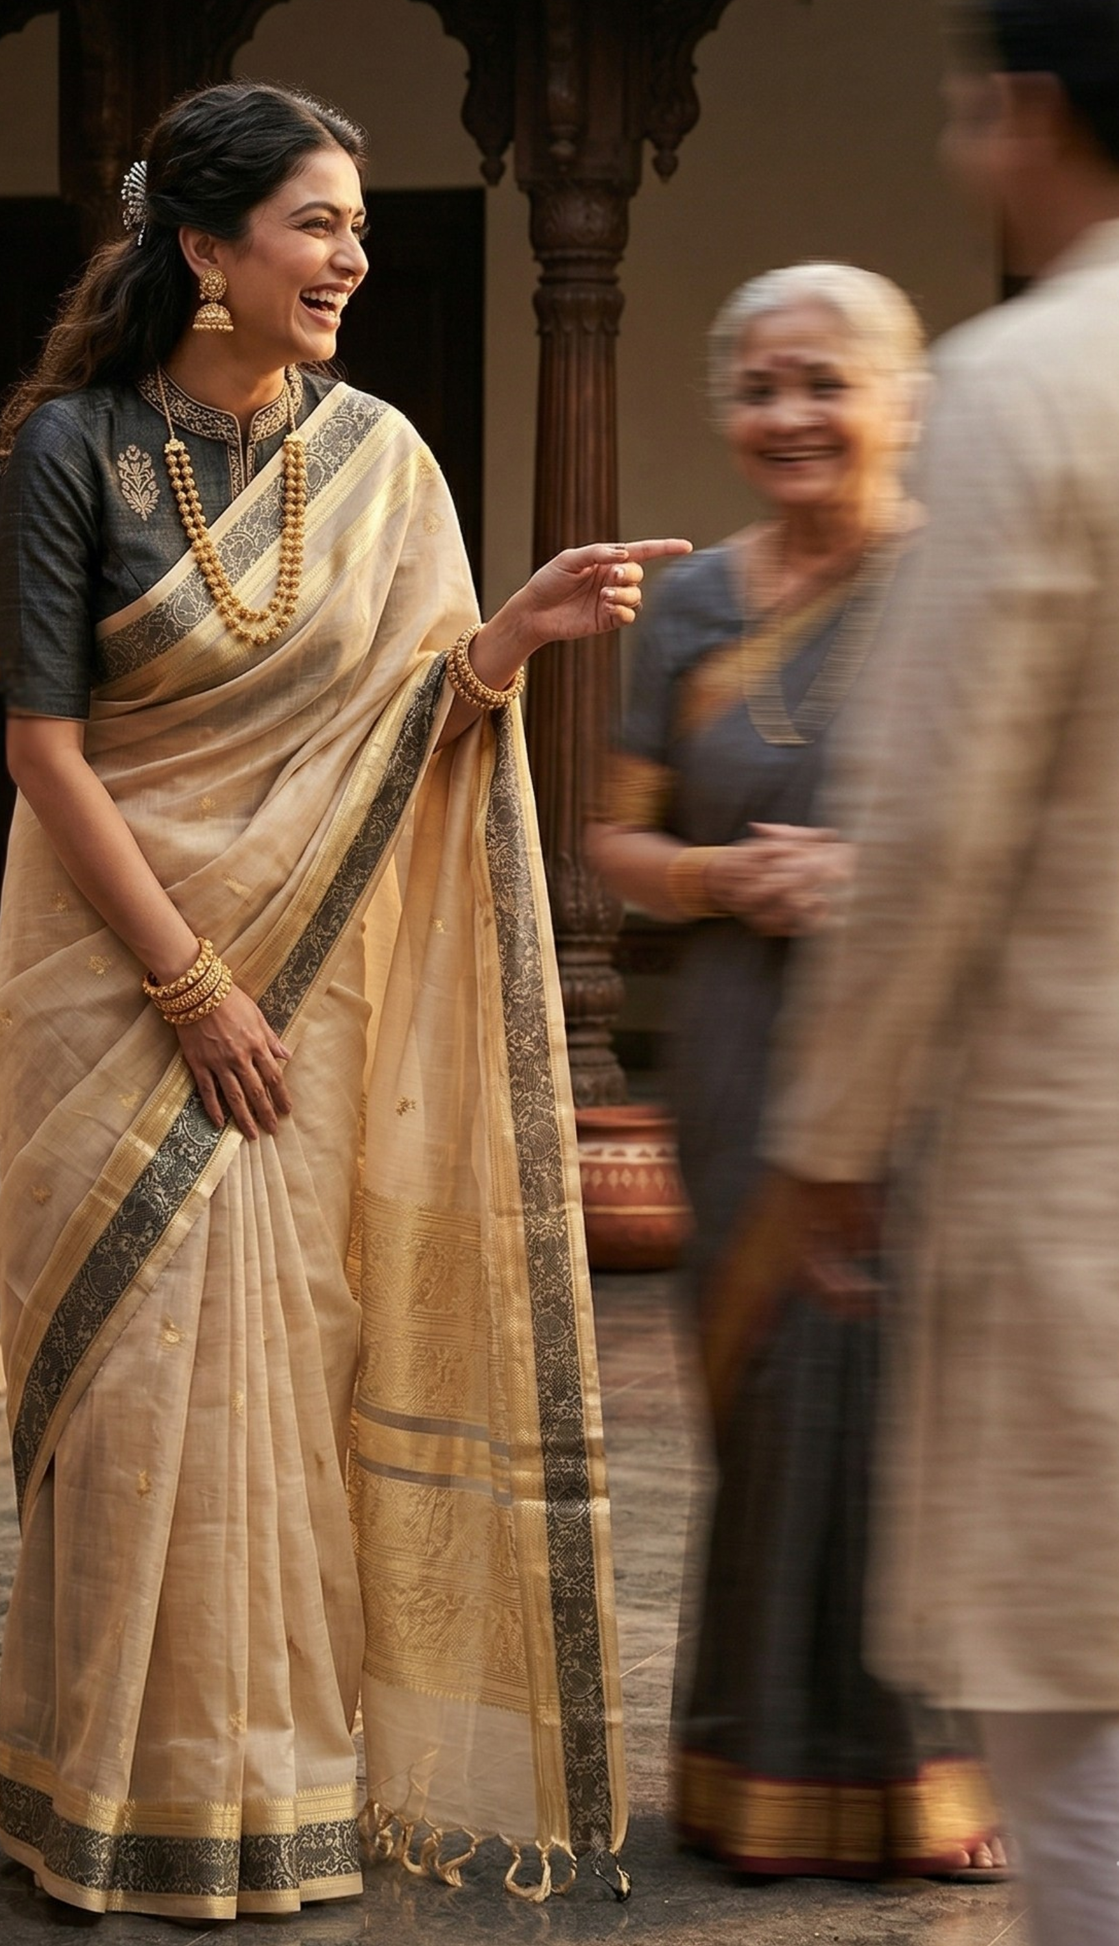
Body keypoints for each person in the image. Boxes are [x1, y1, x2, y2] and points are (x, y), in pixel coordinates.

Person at [0, 80, 687, 1921]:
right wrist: (189, 981)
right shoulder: (75, 448)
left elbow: (399, 726)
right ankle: (110, 1795)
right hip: (117, 989)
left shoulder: (377, 461)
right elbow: (45, 751)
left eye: (358, 225)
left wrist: (502, 647)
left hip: (300, 1010)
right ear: (203, 250)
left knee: (285, 1368)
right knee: (140, 1400)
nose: (352, 256)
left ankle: (273, 1794)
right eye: (315, 222)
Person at [765, 5, 1119, 1941]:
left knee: (1075, 1748)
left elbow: (928, 825)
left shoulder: (1030, 380)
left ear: (1034, 110)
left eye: (974, 108)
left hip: (1081, 1155)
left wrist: (831, 1130)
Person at [587, 264, 1001, 1879]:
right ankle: (750, 1772)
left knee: (909, 1403)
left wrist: (890, 878)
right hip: (744, 1048)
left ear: (903, 403)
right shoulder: (689, 606)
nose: (790, 416)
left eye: (826, 382)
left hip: (927, 1047)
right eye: (761, 385)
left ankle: (933, 1779)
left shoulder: (969, 582)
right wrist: (724, 882)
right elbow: (615, 841)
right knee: (765, 1401)